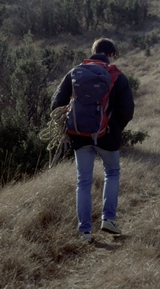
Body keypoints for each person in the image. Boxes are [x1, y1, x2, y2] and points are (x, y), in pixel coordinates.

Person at [51, 38, 134, 243]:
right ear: (111, 54)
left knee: (83, 182)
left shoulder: (75, 72)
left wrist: (71, 123)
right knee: (112, 173)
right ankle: (108, 219)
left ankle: (85, 231)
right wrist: (113, 128)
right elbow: (127, 110)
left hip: (79, 135)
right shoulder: (117, 76)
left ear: (93, 51)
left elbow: (56, 104)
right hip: (107, 135)